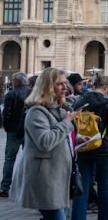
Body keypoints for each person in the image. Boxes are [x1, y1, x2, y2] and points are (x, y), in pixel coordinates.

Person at [13, 68, 79, 220]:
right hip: (44, 178)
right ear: (48, 86)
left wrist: (76, 139)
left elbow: (58, 136)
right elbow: (45, 141)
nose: (65, 88)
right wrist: (67, 123)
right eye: (59, 84)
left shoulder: (60, 110)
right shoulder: (36, 112)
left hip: (58, 177)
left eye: (65, 83)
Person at [71, 73, 108, 220]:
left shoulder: (79, 101)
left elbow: (73, 123)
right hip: (105, 149)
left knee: (82, 187)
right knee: (105, 187)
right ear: (106, 87)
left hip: (84, 146)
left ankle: (78, 217)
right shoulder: (107, 102)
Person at [1, 72, 30, 197]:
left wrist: (7, 127)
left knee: (9, 159)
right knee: (28, 159)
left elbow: (6, 113)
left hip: (13, 130)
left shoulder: (11, 94)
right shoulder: (32, 92)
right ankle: (26, 188)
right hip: (28, 130)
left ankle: (5, 188)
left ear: (17, 81)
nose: (12, 82)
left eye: (13, 80)